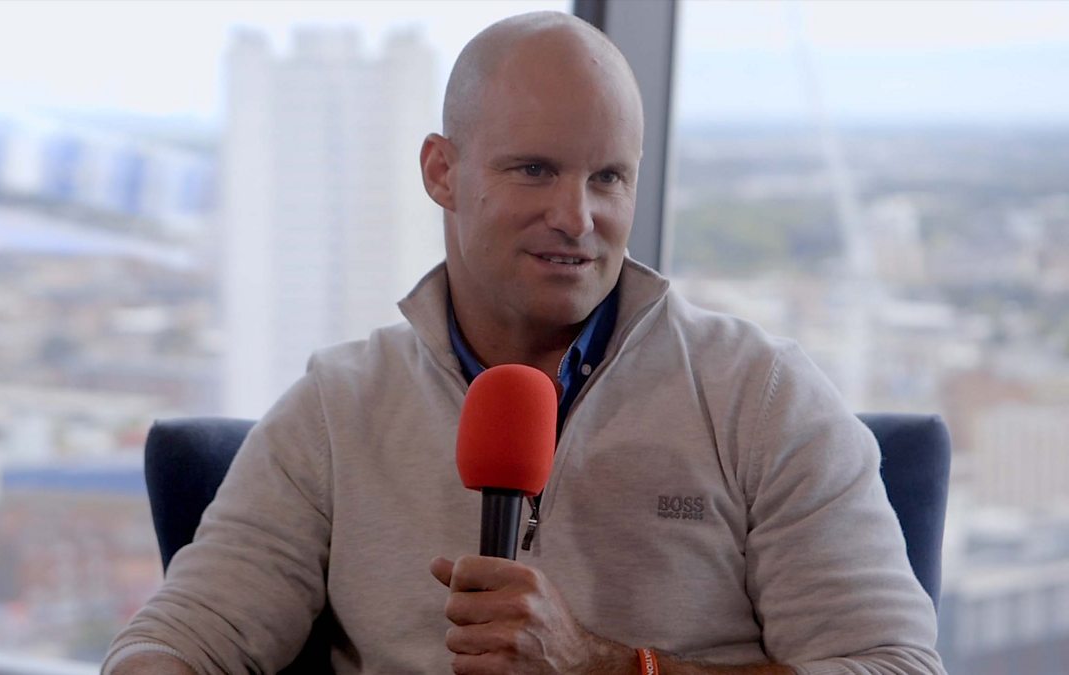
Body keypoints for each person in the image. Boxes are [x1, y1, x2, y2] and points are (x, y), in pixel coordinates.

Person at [104, 11, 945, 675]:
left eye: (607, 177)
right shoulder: (339, 405)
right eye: (535, 170)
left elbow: (894, 665)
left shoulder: (760, 395)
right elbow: (180, 638)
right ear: (442, 172)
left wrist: (610, 665)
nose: (577, 218)